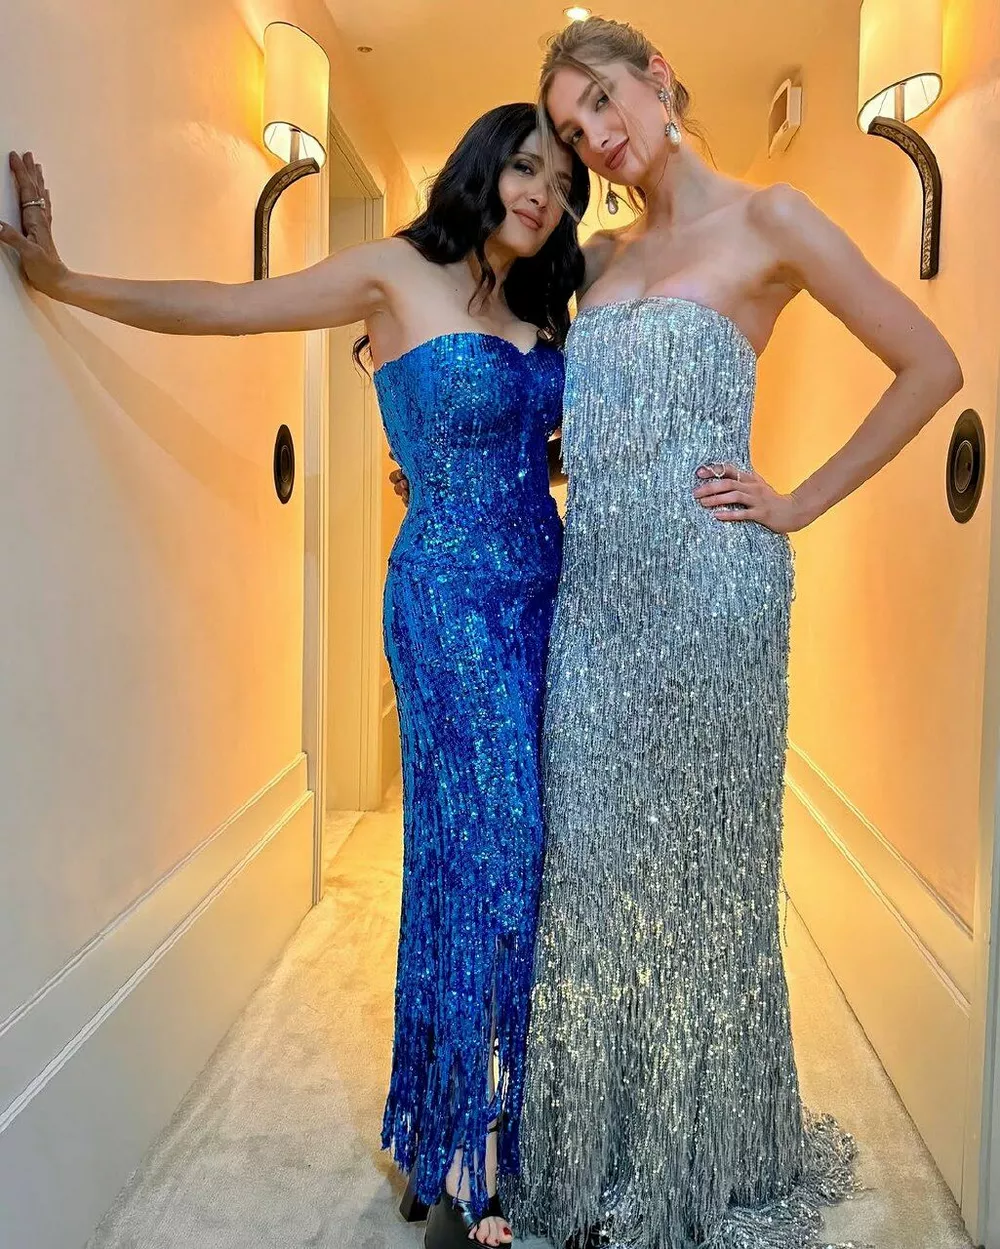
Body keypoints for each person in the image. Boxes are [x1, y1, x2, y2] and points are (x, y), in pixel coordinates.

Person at [1, 101, 591, 1249]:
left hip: (544, 603)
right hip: (446, 604)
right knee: (499, 849)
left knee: (489, 863)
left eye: (563, 185)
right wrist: (65, 280)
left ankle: (452, 1127)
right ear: (483, 166)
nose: (542, 195)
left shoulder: (539, 307)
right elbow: (225, 308)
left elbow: (554, 446)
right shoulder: (392, 273)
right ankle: (475, 1159)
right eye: (527, 167)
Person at [499, 16, 962, 1249]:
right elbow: (584, 418)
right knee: (591, 879)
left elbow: (929, 364)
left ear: (656, 79)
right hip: (596, 613)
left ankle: (701, 1159)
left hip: (715, 602)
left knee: (707, 888)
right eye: (571, 129)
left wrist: (797, 501)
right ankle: (597, 1149)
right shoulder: (595, 256)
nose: (595, 139)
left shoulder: (775, 219)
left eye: (603, 102)